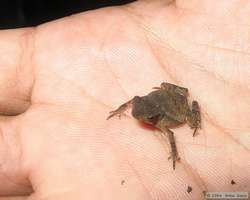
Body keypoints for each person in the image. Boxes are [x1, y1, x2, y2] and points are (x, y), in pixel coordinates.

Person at [0, 0, 249, 199]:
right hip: (167, 95)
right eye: (137, 107)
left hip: (178, 107)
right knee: (163, 87)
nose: (138, 116)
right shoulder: (141, 103)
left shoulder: (164, 123)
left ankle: (194, 119)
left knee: (191, 119)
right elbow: (135, 99)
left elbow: (171, 135)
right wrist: (120, 109)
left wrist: (175, 155)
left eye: (147, 117)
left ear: (155, 118)